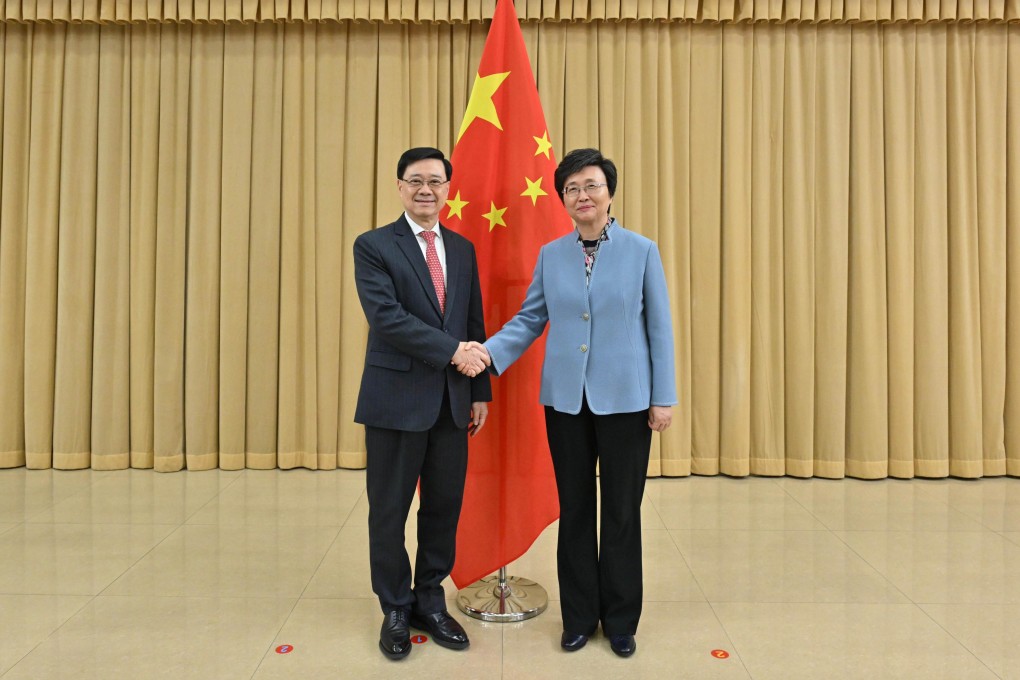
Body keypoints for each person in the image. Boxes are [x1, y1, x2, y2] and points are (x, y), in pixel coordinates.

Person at [459, 148, 676, 658]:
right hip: (565, 401)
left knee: (621, 511)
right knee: (576, 509)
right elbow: (531, 319)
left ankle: (621, 621)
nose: (583, 195)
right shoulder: (552, 254)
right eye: (572, 188)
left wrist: (662, 397)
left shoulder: (642, 251)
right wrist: (485, 354)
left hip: (626, 401)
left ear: (609, 193)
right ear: (563, 199)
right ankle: (579, 617)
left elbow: (659, 329)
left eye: (591, 185)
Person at [353, 147, 492, 661]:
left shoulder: (462, 248)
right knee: (388, 509)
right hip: (394, 401)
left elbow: (473, 322)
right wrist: (453, 351)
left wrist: (479, 390)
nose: (426, 189)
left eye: (436, 180)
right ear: (399, 186)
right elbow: (386, 317)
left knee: (443, 507)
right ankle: (394, 605)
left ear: (448, 189)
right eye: (415, 180)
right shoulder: (373, 246)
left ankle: (430, 599)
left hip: (453, 404)